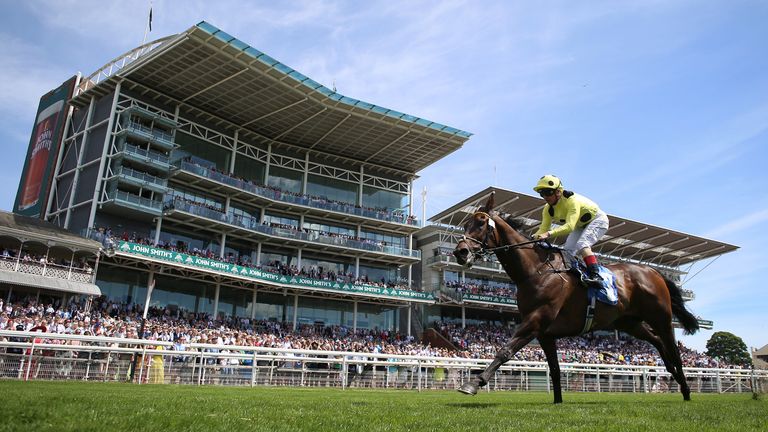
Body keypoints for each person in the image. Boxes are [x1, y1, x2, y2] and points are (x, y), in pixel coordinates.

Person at [532, 174, 609, 285]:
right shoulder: (547, 209)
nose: (545, 197)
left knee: (582, 244)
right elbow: (543, 228)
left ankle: (595, 274)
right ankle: (577, 274)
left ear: (558, 191)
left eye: (548, 192)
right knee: (568, 251)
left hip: (598, 220)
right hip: (580, 226)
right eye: (542, 194)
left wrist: (548, 234)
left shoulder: (572, 200)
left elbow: (569, 227)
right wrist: (534, 237)